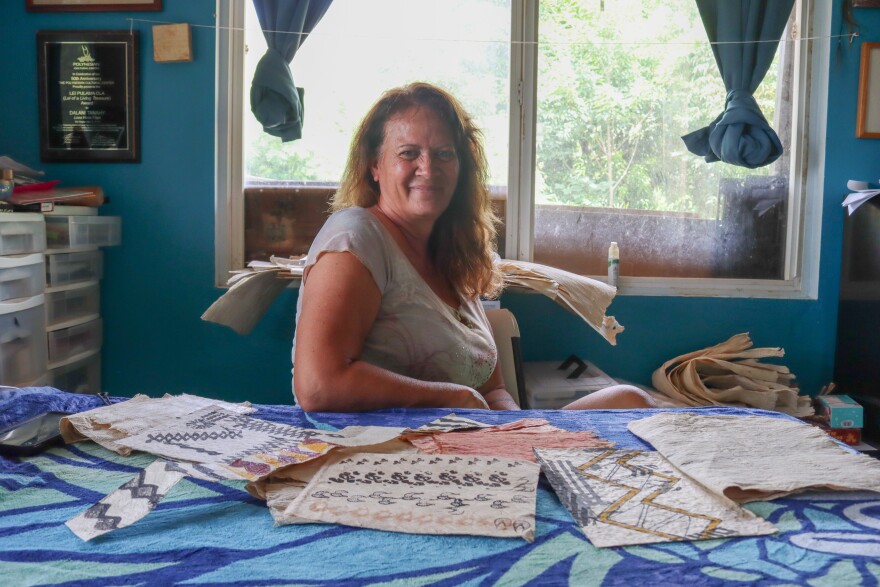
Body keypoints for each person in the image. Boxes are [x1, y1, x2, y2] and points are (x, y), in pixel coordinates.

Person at [291, 82, 655, 413]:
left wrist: (517, 430)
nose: (428, 168)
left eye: (444, 154)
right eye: (408, 153)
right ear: (374, 165)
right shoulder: (355, 237)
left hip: (478, 441)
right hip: (390, 451)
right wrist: (452, 396)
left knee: (631, 399)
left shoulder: (454, 256)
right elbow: (319, 387)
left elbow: (493, 390)